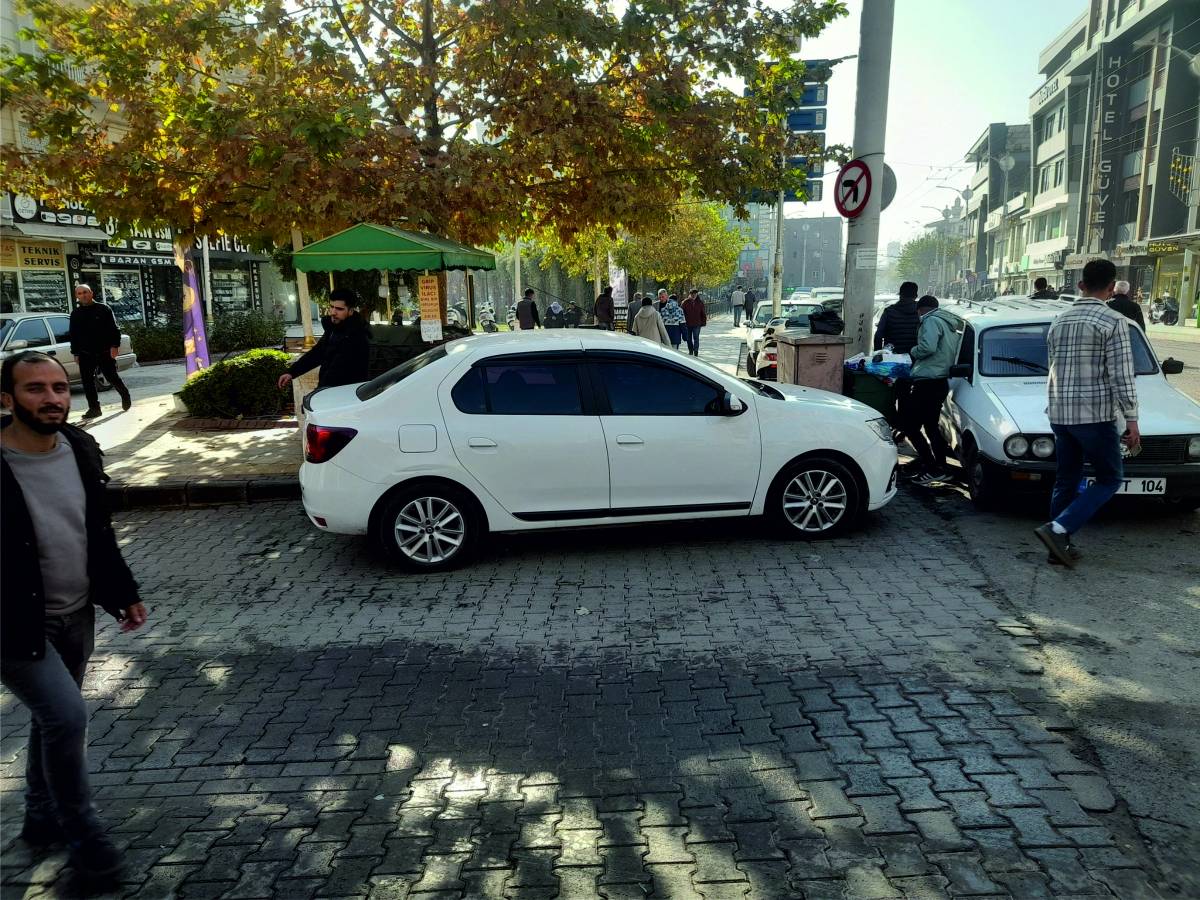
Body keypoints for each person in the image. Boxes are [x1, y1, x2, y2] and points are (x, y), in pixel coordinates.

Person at [1, 351, 148, 881]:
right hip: (15, 627)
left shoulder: (80, 448)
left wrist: (122, 592)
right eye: (35, 388)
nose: (52, 398)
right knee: (66, 718)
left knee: (52, 723)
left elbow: (97, 532)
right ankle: (86, 841)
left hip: (75, 613)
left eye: (59, 388)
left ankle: (39, 821)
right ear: (7, 399)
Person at [1035, 258, 1139, 568]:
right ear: (1111, 288)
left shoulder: (1059, 320)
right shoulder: (1112, 321)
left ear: (1081, 285)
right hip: (1094, 415)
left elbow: (1052, 367)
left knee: (1066, 479)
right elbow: (1122, 373)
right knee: (1110, 478)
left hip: (1060, 413)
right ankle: (1057, 529)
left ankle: (1058, 547)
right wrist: (1132, 418)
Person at [902, 296, 957, 485]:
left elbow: (928, 347)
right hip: (939, 380)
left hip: (928, 381)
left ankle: (932, 466)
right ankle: (937, 465)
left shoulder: (931, 321)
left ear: (921, 309)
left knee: (910, 426)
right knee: (931, 426)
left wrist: (913, 350)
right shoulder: (948, 323)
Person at [278, 288, 371, 391]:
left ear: (351, 311)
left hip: (345, 396)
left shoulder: (357, 336)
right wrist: (291, 372)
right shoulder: (334, 328)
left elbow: (337, 372)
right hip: (329, 393)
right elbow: (317, 353)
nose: (333, 312)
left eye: (339, 309)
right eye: (331, 307)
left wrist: (318, 394)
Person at [69, 284, 131, 421]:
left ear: (91, 293)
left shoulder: (104, 309)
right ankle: (94, 408)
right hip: (85, 353)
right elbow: (73, 335)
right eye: (80, 293)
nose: (83, 295)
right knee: (87, 381)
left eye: (85, 292)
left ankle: (124, 393)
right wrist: (76, 353)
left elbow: (114, 329)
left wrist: (115, 346)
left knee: (111, 376)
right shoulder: (75, 314)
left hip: (104, 351)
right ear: (77, 296)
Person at [873, 281, 922, 353]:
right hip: (914, 356)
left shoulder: (889, 311)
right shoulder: (921, 312)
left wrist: (878, 355)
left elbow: (878, 336)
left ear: (900, 294)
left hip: (892, 357)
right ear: (916, 296)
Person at [681, 289, 707, 356]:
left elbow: (703, 313)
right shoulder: (685, 302)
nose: (693, 295)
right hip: (687, 323)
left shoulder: (700, 302)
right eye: (692, 294)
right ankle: (690, 350)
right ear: (690, 294)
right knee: (688, 338)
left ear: (697, 294)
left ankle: (696, 351)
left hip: (697, 323)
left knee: (696, 337)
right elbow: (681, 312)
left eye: (695, 294)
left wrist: (703, 322)